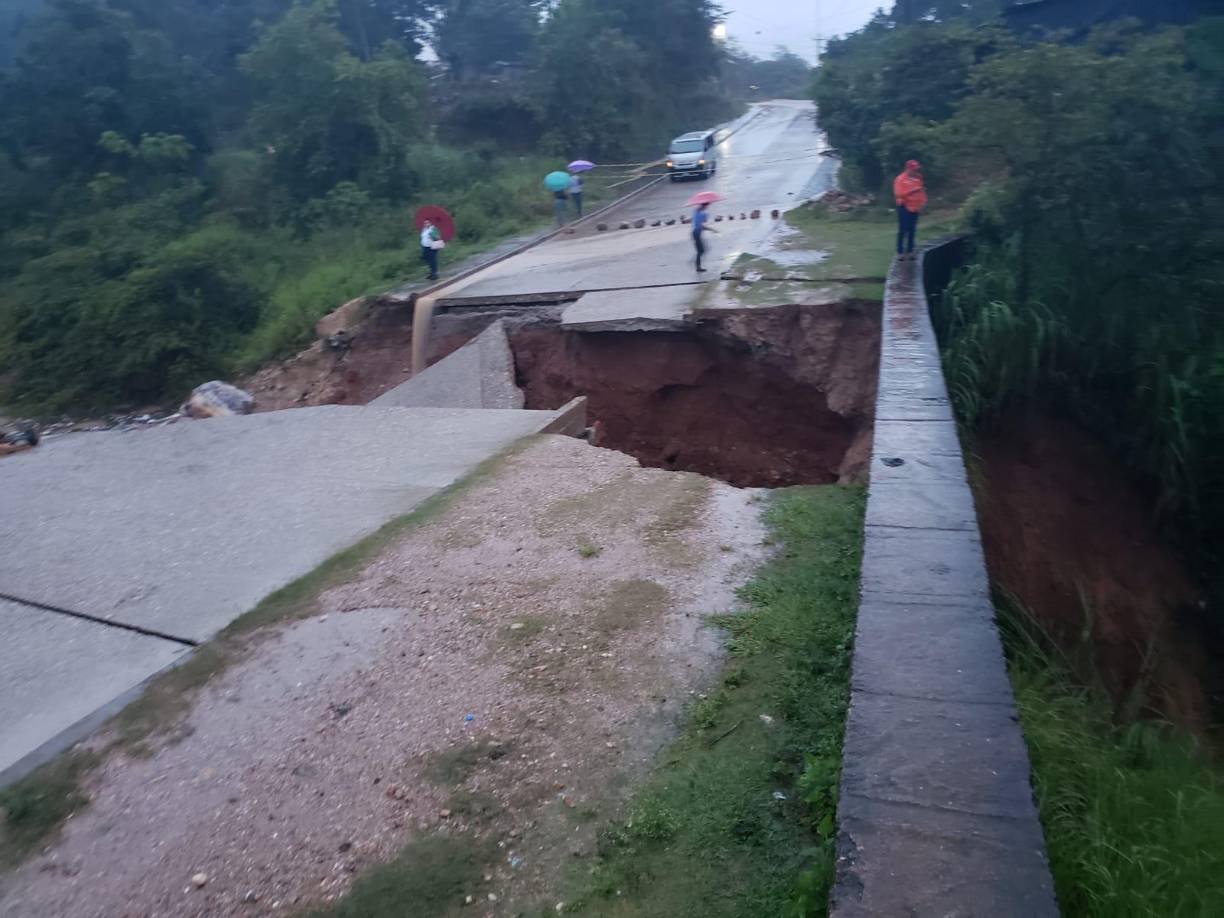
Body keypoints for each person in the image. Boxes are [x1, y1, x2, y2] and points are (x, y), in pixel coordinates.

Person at [893, 159, 927, 260]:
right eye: (914, 169)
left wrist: (923, 202)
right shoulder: (900, 179)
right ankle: (900, 252)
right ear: (908, 169)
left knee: (912, 229)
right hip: (903, 206)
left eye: (917, 169)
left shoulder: (918, 178)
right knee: (903, 229)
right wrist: (912, 190)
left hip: (915, 207)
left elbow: (921, 191)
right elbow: (898, 194)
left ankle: (910, 251)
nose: (915, 171)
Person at [692, 202, 719, 273]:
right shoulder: (702, 214)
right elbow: (702, 226)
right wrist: (712, 229)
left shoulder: (697, 211)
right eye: (707, 205)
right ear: (705, 206)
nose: (708, 207)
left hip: (695, 233)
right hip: (696, 234)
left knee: (701, 251)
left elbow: (701, 225)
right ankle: (697, 266)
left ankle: (698, 266)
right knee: (701, 251)